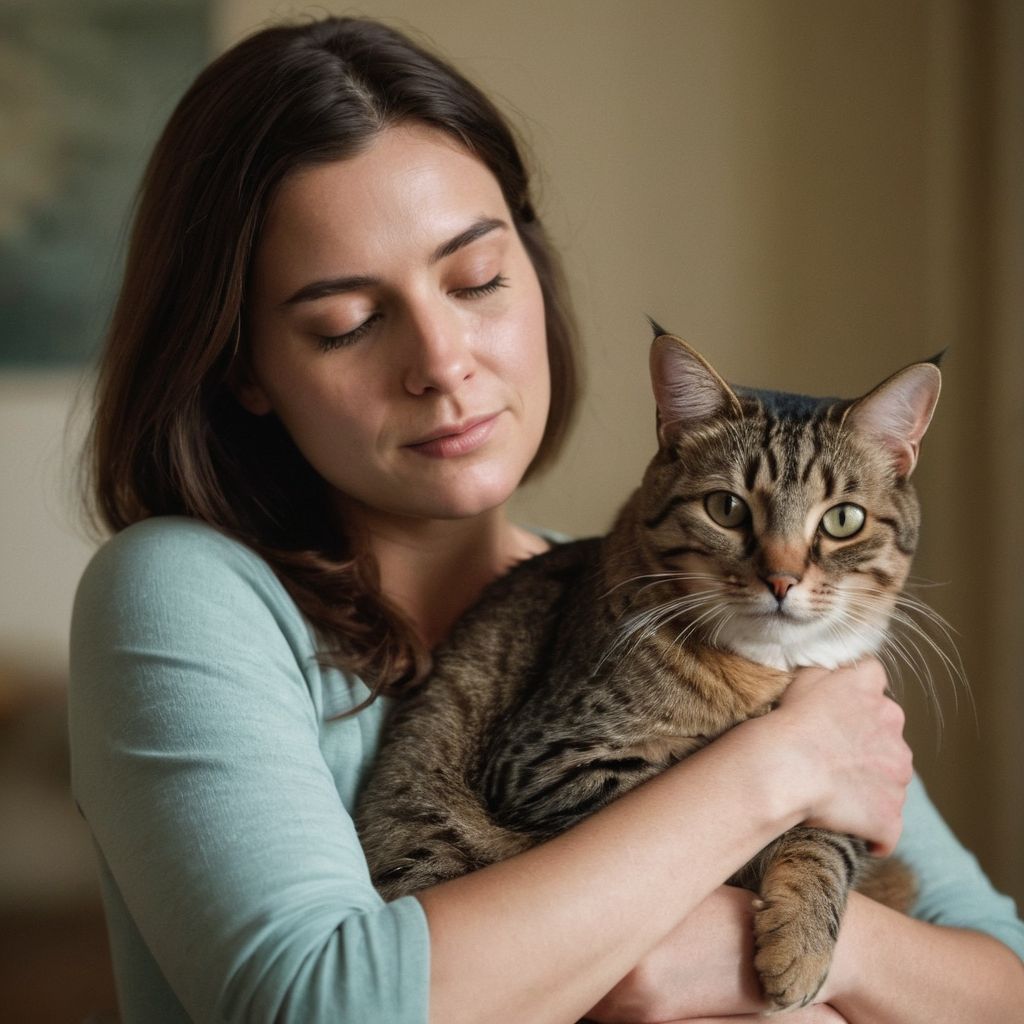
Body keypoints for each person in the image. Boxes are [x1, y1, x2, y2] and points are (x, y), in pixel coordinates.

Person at [68, 16, 1024, 1024]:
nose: (443, 363)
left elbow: (998, 979)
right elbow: (322, 1006)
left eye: (477, 279)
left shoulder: (698, 599)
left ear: (533, 271)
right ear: (242, 369)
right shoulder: (184, 589)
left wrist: (812, 952)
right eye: (345, 323)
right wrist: (777, 767)